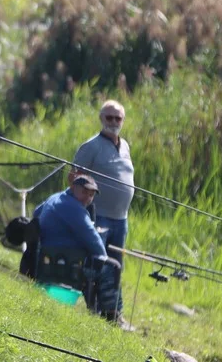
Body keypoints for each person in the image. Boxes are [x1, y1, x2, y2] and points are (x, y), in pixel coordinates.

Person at [70, 99, 134, 318]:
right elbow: (74, 177)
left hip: (121, 219)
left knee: (116, 266)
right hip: (99, 217)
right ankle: (94, 308)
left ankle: (114, 311)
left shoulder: (124, 145)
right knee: (97, 262)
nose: (114, 121)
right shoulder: (91, 146)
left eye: (118, 118)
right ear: (101, 118)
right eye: (109, 117)